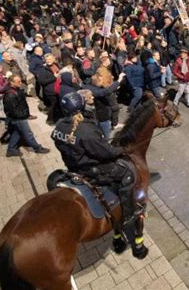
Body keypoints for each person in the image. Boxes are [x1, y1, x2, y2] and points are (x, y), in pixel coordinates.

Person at [51, 92, 136, 226]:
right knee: (128, 174)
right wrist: (123, 150)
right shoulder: (86, 129)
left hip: (72, 166)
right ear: (82, 106)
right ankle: (129, 214)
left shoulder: (59, 126)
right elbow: (106, 153)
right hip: (91, 169)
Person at [2, 75, 50, 157]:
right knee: (28, 134)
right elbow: (13, 111)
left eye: (20, 81)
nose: (20, 83)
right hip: (18, 118)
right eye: (18, 82)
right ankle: (37, 148)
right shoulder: (10, 95)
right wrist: (24, 115)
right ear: (11, 83)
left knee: (17, 133)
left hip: (18, 117)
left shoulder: (14, 90)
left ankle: (11, 150)